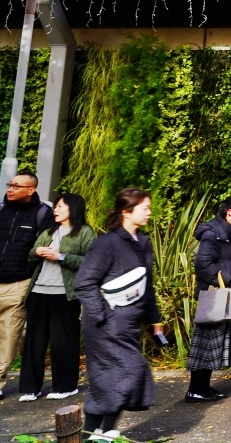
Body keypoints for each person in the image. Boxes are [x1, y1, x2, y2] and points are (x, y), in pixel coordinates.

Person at [75, 189, 163, 440]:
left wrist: (153, 320)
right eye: (144, 208)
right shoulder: (106, 243)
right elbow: (84, 283)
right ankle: (89, 434)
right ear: (126, 211)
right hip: (104, 325)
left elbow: (148, 285)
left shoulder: (143, 243)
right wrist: (103, 315)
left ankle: (102, 431)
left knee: (125, 375)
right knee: (116, 375)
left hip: (129, 324)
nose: (148, 212)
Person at [19, 192, 94, 401]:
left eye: (60, 206)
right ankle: (30, 388)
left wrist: (60, 256)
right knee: (34, 342)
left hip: (64, 294)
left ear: (73, 208)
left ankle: (65, 386)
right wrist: (38, 251)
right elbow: (30, 255)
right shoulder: (49, 230)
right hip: (38, 292)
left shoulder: (85, 232)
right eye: (56, 206)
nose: (55, 209)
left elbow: (91, 261)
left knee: (63, 342)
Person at [185, 196, 231, 403]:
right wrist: (227, 278)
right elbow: (202, 265)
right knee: (205, 344)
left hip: (222, 294)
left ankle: (203, 387)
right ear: (229, 212)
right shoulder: (213, 234)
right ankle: (195, 390)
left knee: (212, 344)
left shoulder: (226, 234)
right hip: (214, 296)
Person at [0, 171, 53, 398]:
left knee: (9, 335)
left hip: (19, 283)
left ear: (31, 190)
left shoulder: (42, 214)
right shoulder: (0, 210)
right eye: (9, 185)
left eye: (16, 186)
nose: (10, 189)